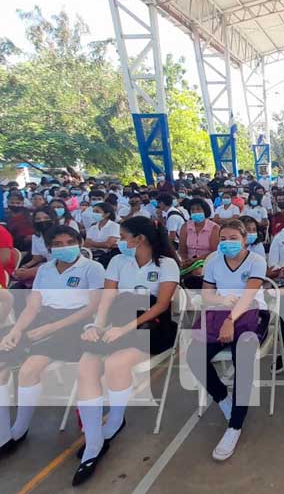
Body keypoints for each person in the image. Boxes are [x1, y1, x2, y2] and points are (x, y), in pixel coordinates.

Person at [0, 226, 103, 465]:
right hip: (45, 322)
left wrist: (50, 329)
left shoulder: (92, 268)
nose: (64, 247)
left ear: (79, 242)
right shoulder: (46, 270)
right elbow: (33, 306)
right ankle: (4, 435)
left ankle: (21, 428)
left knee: (42, 370)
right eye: (57, 244)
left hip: (77, 325)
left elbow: (92, 308)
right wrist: (17, 330)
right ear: (49, 247)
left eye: (70, 241)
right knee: (4, 368)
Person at [74, 217, 179, 485]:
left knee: (115, 364)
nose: (120, 241)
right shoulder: (119, 262)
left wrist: (125, 329)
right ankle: (94, 442)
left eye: (123, 236)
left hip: (152, 325)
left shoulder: (166, 265)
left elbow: (162, 305)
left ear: (139, 239)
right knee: (87, 364)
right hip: (119, 319)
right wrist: (97, 325)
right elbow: (108, 298)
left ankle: (115, 420)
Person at [185, 217, 270, 461]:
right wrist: (222, 303)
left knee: (242, 354)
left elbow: (248, 295)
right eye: (223, 239)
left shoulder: (256, 261)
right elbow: (207, 294)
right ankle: (223, 398)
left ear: (245, 240)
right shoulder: (213, 261)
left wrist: (230, 319)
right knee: (194, 356)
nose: (228, 243)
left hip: (251, 311)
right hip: (220, 312)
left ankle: (235, 424)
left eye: (234, 238)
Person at [178, 198, 220, 290]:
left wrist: (195, 261)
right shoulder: (185, 227)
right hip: (188, 261)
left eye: (198, 209)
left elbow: (214, 252)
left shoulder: (214, 228)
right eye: (193, 210)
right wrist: (185, 260)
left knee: (198, 272)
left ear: (205, 211)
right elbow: (182, 249)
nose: (195, 212)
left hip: (207, 261)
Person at [84, 202, 120, 267]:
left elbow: (108, 244)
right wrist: (102, 244)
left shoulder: (114, 226)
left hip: (107, 257)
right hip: (92, 254)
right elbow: (86, 244)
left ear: (107, 214)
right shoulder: (92, 227)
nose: (94, 214)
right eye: (93, 211)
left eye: (97, 212)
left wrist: (92, 243)